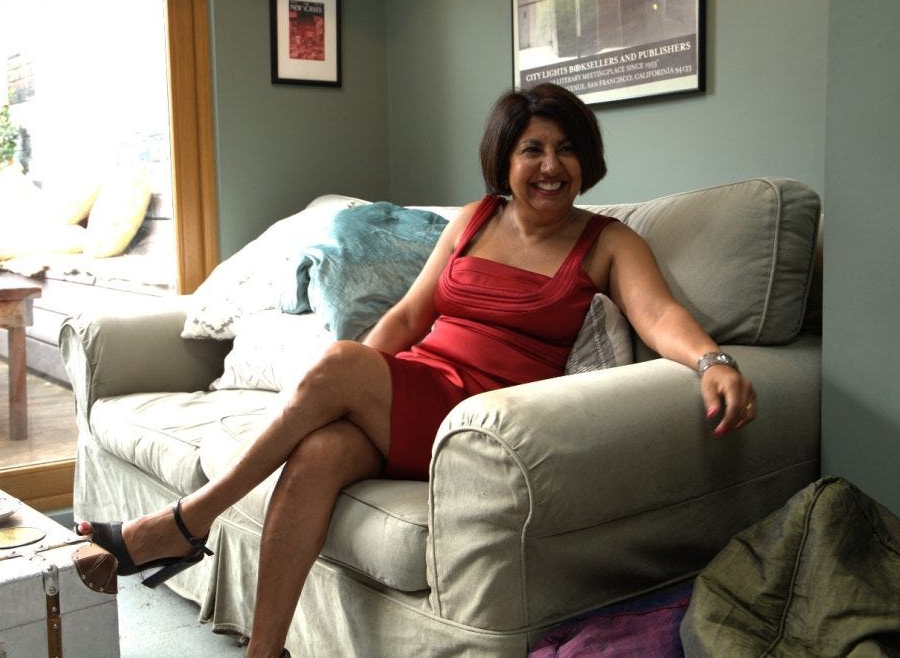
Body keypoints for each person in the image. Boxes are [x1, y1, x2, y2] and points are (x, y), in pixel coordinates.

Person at [76, 82, 757, 658]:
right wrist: (354, 395)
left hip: (479, 418)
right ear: (504, 159)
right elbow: (406, 319)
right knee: (316, 454)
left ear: (588, 160)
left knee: (342, 363)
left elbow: (659, 313)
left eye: (567, 148)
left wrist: (712, 360)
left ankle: (186, 522)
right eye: (533, 149)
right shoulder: (474, 219)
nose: (552, 165)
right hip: (415, 390)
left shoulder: (606, 240)